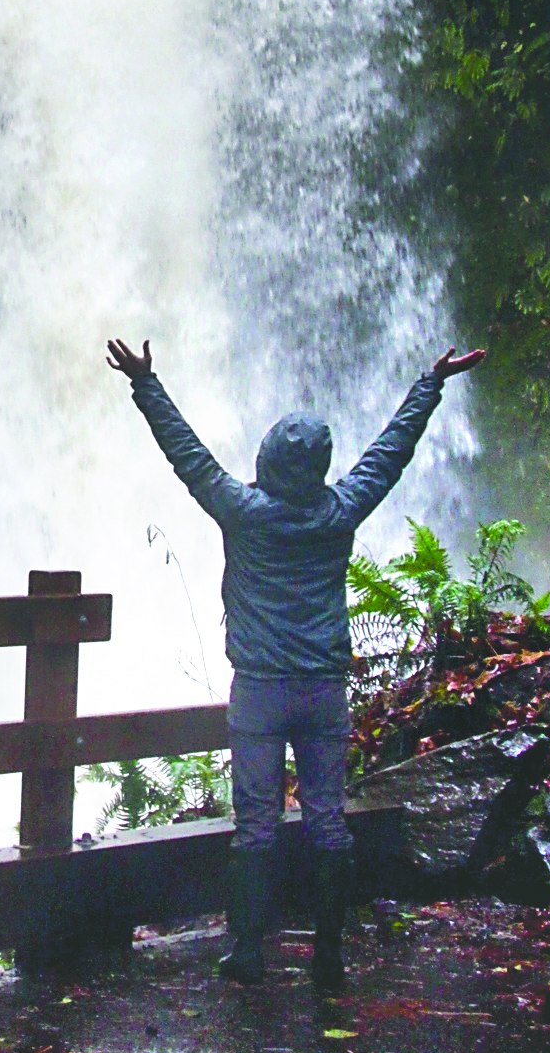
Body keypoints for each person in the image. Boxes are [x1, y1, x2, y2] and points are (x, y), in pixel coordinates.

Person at [106, 336, 485, 993]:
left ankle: (247, 952)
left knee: (255, 824)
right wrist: (431, 384)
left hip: (259, 691)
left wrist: (146, 383)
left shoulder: (243, 511)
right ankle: (329, 956)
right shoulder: (341, 511)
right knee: (327, 819)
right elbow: (390, 455)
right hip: (323, 692)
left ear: (269, 462)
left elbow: (187, 456)